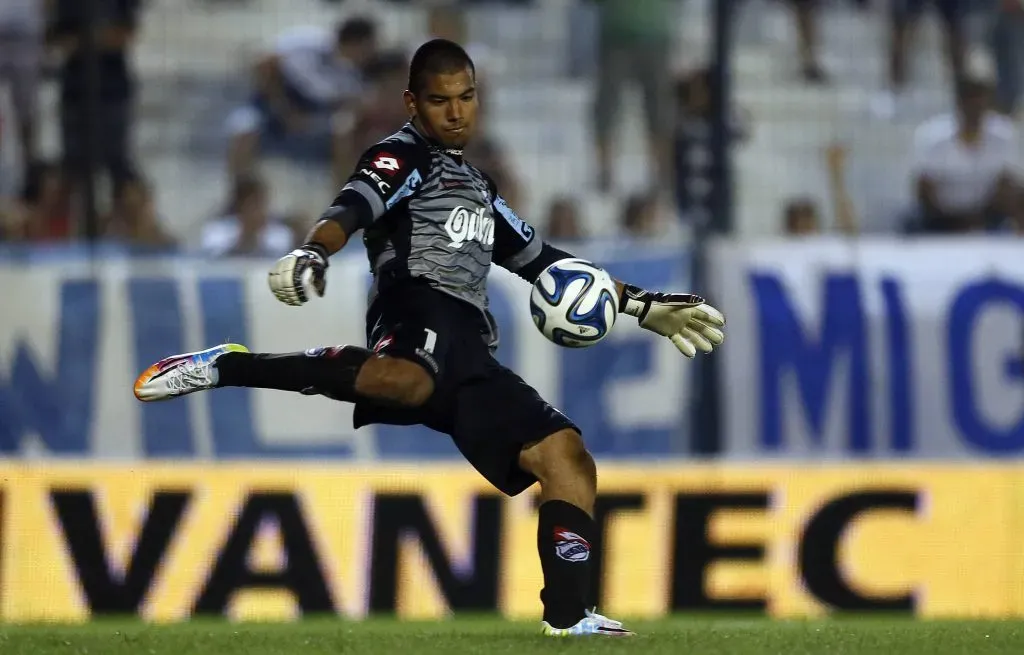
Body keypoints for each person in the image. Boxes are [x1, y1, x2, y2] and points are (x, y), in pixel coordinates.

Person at [133, 39, 725, 637]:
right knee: (408, 381)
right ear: (413, 102)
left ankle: (570, 618)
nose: (457, 112)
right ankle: (228, 365)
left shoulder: (481, 187)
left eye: (466, 97)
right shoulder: (400, 156)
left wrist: (640, 306)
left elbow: (544, 262)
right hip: (413, 308)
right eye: (441, 101)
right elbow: (353, 205)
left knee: (565, 457)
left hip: (470, 347)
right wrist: (315, 248)